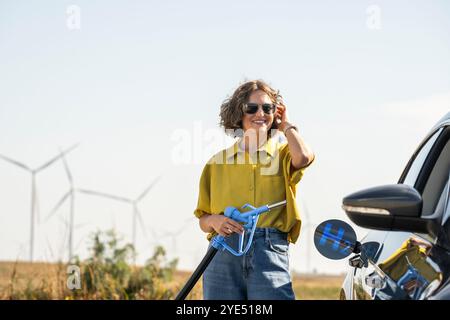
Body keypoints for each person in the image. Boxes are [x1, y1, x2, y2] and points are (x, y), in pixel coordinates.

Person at [194, 79, 315, 300]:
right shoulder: (217, 163)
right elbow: (203, 219)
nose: (261, 113)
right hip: (223, 252)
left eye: (268, 108)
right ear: (238, 113)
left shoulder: (283, 154)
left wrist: (286, 126)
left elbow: (304, 157)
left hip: (268, 250)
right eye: (252, 107)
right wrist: (215, 221)